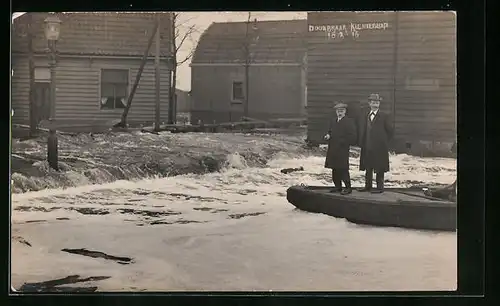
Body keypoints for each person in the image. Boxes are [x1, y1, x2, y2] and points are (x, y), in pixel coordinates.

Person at [357, 93, 394, 193]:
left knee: (379, 167)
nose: (375, 104)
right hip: (367, 145)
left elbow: (390, 131)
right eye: (373, 102)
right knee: (368, 166)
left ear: (379, 104)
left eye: (377, 102)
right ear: (369, 103)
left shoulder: (384, 116)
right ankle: (367, 186)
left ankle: (379, 188)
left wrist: (383, 141)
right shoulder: (366, 115)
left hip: (380, 147)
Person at [324, 102, 357, 195]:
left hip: (342, 149)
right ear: (336, 112)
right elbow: (330, 131)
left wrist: (342, 141)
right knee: (334, 168)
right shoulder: (333, 121)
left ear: (345, 111)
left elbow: (353, 136)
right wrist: (328, 135)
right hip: (332, 148)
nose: (340, 112)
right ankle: (337, 187)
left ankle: (348, 187)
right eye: (338, 111)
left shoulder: (349, 121)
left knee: (343, 168)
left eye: (341, 111)